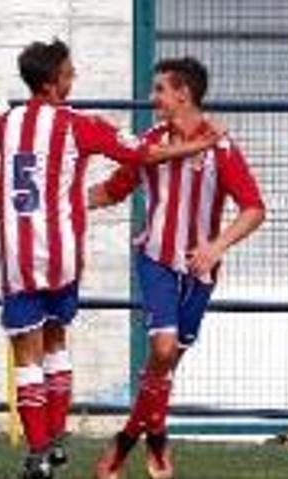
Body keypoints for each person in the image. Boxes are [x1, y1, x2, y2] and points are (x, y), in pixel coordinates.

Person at [0, 40, 219, 479]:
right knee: (55, 343)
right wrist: (194, 146)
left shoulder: (1, 127)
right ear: (53, 82)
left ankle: (38, 452)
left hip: (18, 253)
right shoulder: (78, 124)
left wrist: (19, 223)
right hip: (64, 255)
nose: (74, 78)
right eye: (70, 73)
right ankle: (52, 442)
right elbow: (140, 154)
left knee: (26, 354)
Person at [90, 57, 265, 479]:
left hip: (201, 271)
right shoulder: (151, 141)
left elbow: (254, 209)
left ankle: (136, 436)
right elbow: (114, 188)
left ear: (183, 94)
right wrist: (64, 202)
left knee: (167, 363)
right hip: (156, 262)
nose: (154, 99)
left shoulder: (222, 147)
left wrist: (215, 245)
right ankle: (144, 445)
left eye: (160, 90)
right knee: (163, 350)